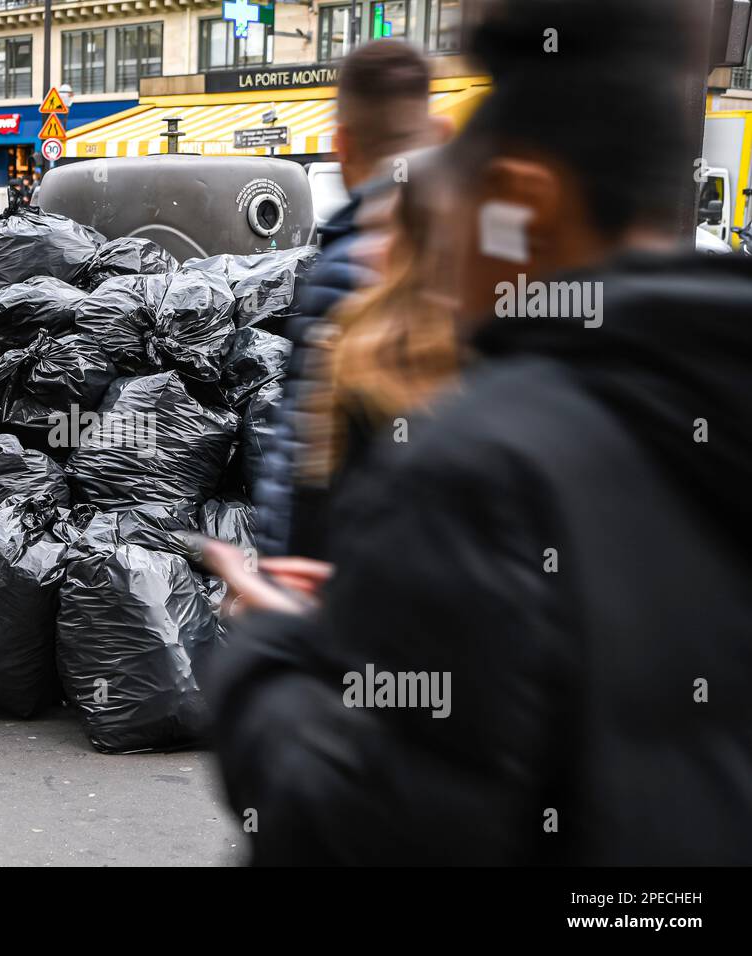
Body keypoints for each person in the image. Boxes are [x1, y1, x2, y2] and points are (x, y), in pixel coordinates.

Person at [210, 0, 752, 866]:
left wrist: (271, 654)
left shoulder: (479, 471)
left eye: (452, 216)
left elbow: (360, 826)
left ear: (522, 206)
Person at [253, 40, 445, 560]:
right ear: (436, 131)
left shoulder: (348, 264)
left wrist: (280, 576)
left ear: (342, 145)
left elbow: (305, 454)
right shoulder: (475, 251)